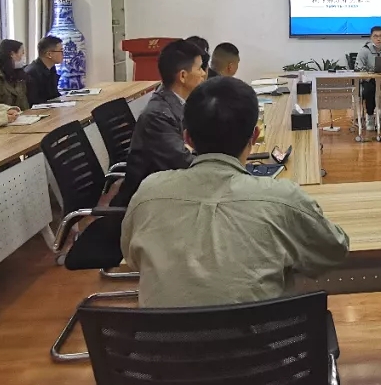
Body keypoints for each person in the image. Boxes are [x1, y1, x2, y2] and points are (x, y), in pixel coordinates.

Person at [121, 77, 351, 308]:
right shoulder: (283, 199)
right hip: (261, 332)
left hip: (162, 332)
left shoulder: (148, 194)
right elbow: (334, 250)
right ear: (255, 136)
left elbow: (131, 258)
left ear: (187, 138)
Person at [112, 40, 209, 208]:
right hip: (149, 204)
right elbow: (185, 163)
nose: (204, 74)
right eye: (199, 68)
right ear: (183, 76)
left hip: (171, 191)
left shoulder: (180, 101)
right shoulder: (158, 116)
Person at [355, 26, 381, 131]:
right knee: (370, 90)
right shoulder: (364, 51)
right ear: (371, 38)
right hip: (369, 81)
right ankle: (369, 117)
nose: (378, 39)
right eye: (375, 36)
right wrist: (370, 75)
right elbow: (358, 68)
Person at [0, 39, 30, 110]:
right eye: (22, 53)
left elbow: (24, 102)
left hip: (21, 115)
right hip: (2, 115)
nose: (24, 57)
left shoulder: (18, 74)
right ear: (12, 54)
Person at [25, 36, 62, 106]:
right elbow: (34, 102)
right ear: (49, 54)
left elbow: (54, 95)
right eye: (61, 51)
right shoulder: (32, 73)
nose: (63, 54)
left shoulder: (51, 68)